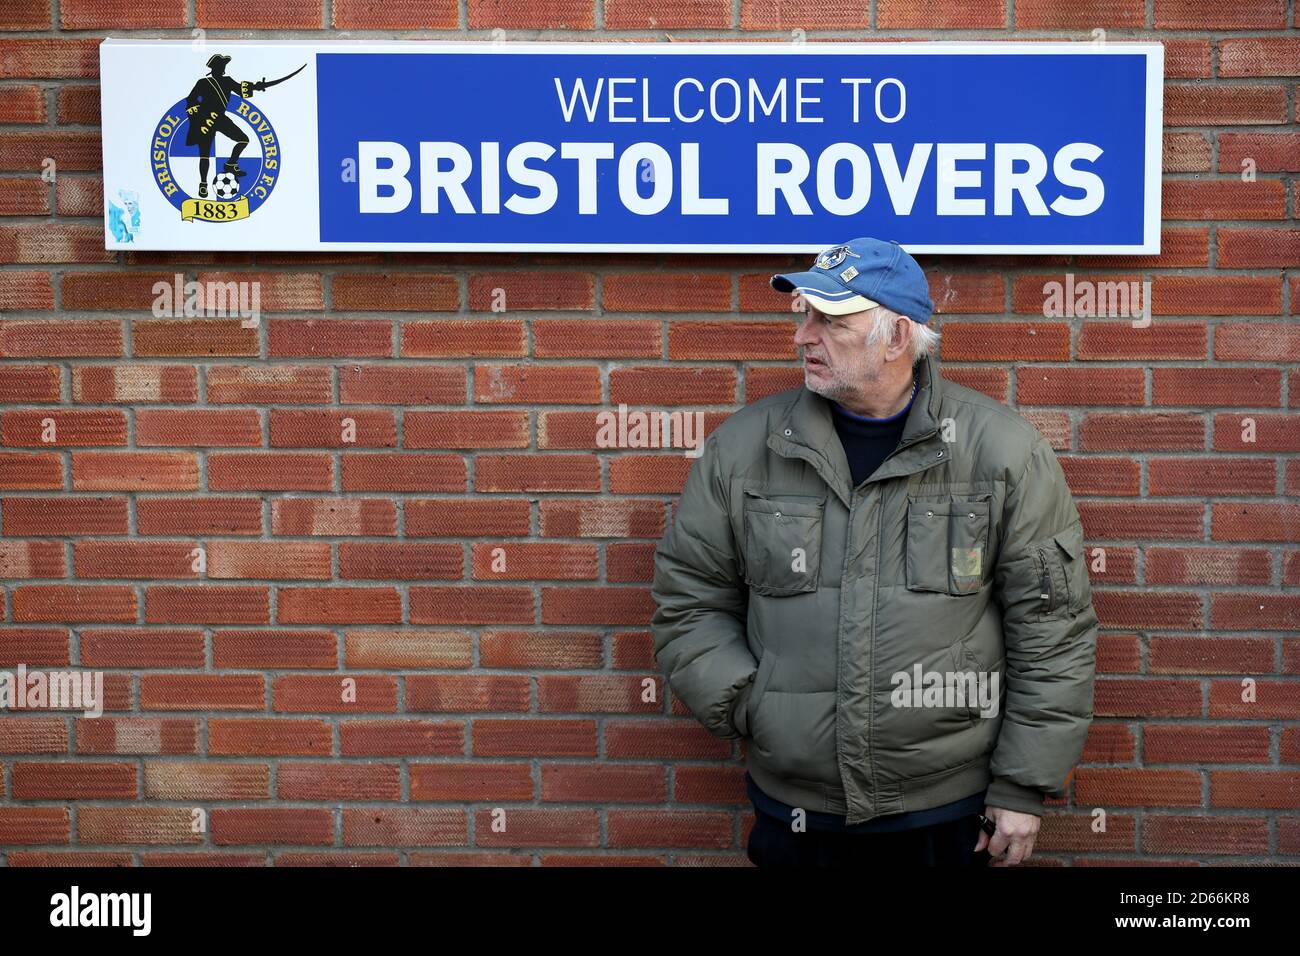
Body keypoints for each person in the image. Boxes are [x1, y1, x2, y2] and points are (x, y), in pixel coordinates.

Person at [650, 236, 1098, 867]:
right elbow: (689, 602)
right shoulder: (744, 450)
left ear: (896, 338)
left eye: (830, 320)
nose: (804, 336)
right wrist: (758, 706)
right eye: (803, 315)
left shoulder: (1002, 453)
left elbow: (1053, 629)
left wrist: (1023, 784)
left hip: (946, 812)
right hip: (796, 812)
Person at [184, 53, 254, 198]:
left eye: (224, 66)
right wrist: (197, 114)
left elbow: (241, 90)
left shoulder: (228, 81)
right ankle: (203, 184)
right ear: (216, 68)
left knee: (243, 139)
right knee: (205, 155)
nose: (223, 68)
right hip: (206, 120)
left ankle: (230, 164)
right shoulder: (203, 82)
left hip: (220, 119)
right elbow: (191, 100)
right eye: (222, 66)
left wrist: (257, 86)